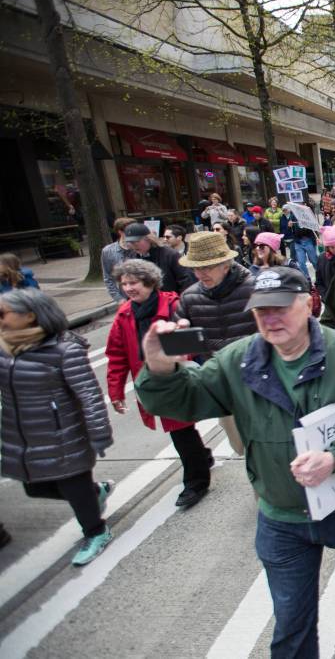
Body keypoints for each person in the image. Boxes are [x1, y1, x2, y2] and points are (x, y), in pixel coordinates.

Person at [136, 265, 335, 648]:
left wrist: (334, 457)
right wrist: (159, 369)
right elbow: (187, 399)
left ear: (308, 304)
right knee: (291, 625)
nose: (270, 318)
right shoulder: (238, 359)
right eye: (261, 310)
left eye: (280, 307)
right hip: (280, 515)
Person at [0, 289, 114, 566]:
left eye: (2, 313)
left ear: (29, 316)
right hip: (24, 437)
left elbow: (89, 395)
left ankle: (96, 532)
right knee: (34, 488)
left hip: (64, 435)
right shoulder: (5, 349)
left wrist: (99, 434)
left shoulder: (64, 350)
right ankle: (93, 492)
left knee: (74, 488)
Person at [106, 260, 212, 508]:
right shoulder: (124, 314)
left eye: (133, 282)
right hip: (150, 382)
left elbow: (194, 343)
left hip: (177, 378)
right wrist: (115, 392)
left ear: (150, 282)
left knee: (180, 430)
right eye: (124, 284)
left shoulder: (173, 305)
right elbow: (117, 355)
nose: (128, 288)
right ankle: (202, 457)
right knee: (182, 430)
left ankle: (196, 482)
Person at [173, 232, 258, 456]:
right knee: (240, 447)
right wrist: (177, 337)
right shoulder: (189, 298)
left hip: (261, 378)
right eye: (196, 268)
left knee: (269, 445)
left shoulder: (255, 288)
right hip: (223, 383)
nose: (200, 274)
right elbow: (181, 349)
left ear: (225, 264)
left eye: (207, 267)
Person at [123, 222, 194, 294]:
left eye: (136, 241)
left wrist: (180, 299)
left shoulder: (169, 254)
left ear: (149, 239)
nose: (133, 245)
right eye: (130, 242)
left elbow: (187, 280)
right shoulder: (131, 258)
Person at [101, 217, 137, 301]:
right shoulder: (108, 251)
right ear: (120, 232)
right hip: (125, 297)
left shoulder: (139, 246)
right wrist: (118, 298)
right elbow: (108, 277)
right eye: (130, 231)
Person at [287, 207, 319, 280]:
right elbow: (290, 229)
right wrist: (289, 226)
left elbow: (314, 227)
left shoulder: (307, 214)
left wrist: (317, 237)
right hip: (298, 242)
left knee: (314, 260)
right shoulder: (292, 215)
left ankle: (320, 275)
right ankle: (307, 279)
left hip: (309, 240)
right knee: (301, 262)